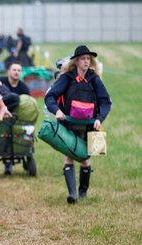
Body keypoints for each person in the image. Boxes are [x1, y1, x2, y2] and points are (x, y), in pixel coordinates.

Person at [45, 45, 112, 204]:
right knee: (69, 157)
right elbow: (50, 97)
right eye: (83, 59)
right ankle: (72, 195)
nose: (86, 62)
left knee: (85, 159)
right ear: (76, 61)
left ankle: (83, 192)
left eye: (88, 59)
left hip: (90, 125)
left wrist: (99, 119)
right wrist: (57, 111)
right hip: (69, 123)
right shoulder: (66, 78)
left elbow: (105, 102)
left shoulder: (94, 78)